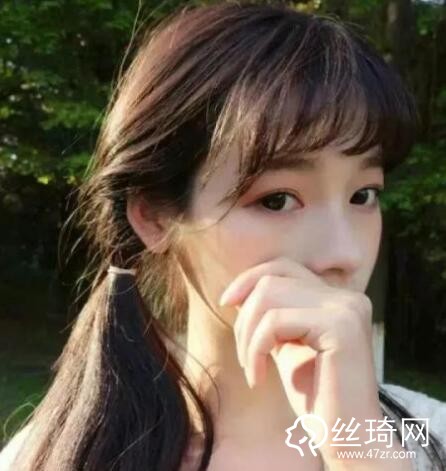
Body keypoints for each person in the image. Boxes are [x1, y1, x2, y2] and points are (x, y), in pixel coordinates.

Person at [1, 2, 445, 470]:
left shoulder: (427, 435)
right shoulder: (53, 456)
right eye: (277, 200)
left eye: (363, 195)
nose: (345, 252)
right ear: (153, 217)